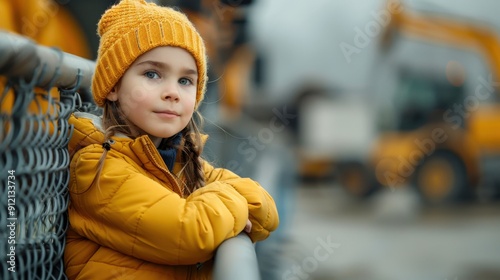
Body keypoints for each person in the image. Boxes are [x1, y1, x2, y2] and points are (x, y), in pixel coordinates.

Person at [63, 0, 279, 279]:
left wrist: (214, 205)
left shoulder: (179, 161)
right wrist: (232, 204)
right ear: (114, 86)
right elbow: (190, 232)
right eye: (152, 74)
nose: (172, 92)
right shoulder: (97, 167)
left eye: (185, 81)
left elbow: (267, 212)